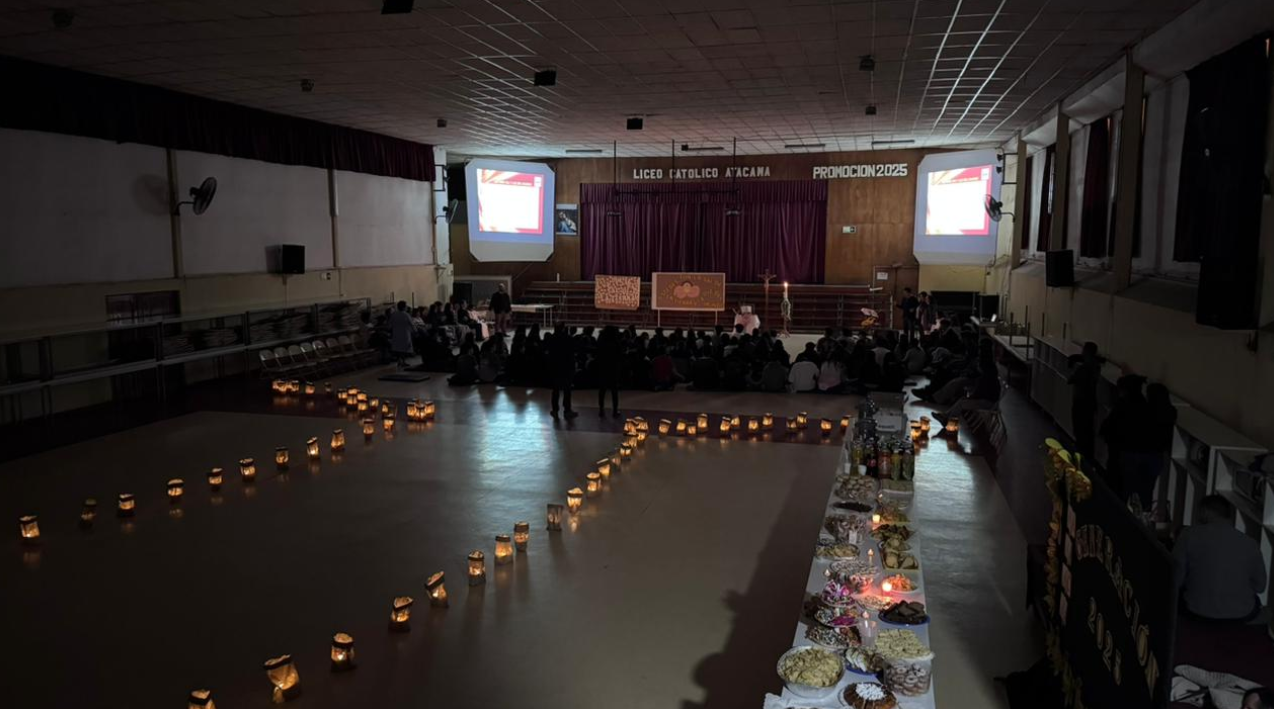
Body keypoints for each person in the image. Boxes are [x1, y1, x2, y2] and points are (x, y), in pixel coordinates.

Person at [1174, 495, 1267, 622]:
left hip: (1196, 611)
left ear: (1205, 511)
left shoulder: (1188, 535)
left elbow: (1176, 577)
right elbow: (1260, 586)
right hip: (1241, 614)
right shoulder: (1250, 543)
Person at [1067, 341, 1103, 466]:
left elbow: (1070, 380)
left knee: (1080, 430)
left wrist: (1072, 366)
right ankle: (1088, 458)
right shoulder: (1096, 367)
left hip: (1080, 403)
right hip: (1091, 403)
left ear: (1086, 352)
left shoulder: (1083, 369)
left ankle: (1080, 457)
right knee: (1088, 431)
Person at [547, 324, 577, 419]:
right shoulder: (568, 339)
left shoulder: (552, 339)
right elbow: (573, 351)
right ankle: (567, 410)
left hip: (555, 366)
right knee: (567, 390)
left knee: (555, 390)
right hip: (567, 367)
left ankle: (555, 410)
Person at [595, 325, 622, 416]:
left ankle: (601, 410)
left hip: (603, 367)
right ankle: (615, 410)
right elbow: (619, 354)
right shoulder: (615, 341)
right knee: (614, 390)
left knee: (602, 390)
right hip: (613, 367)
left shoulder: (601, 340)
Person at [388, 300, 415, 368]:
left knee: (398, 348)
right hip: (405, 333)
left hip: (396, 334)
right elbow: (411, 324)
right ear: (404, 307)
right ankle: (403, 361)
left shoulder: (394, 314)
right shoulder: (406, 315)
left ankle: (399, 361)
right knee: (404, 349)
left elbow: (389, 325)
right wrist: (415, 330)